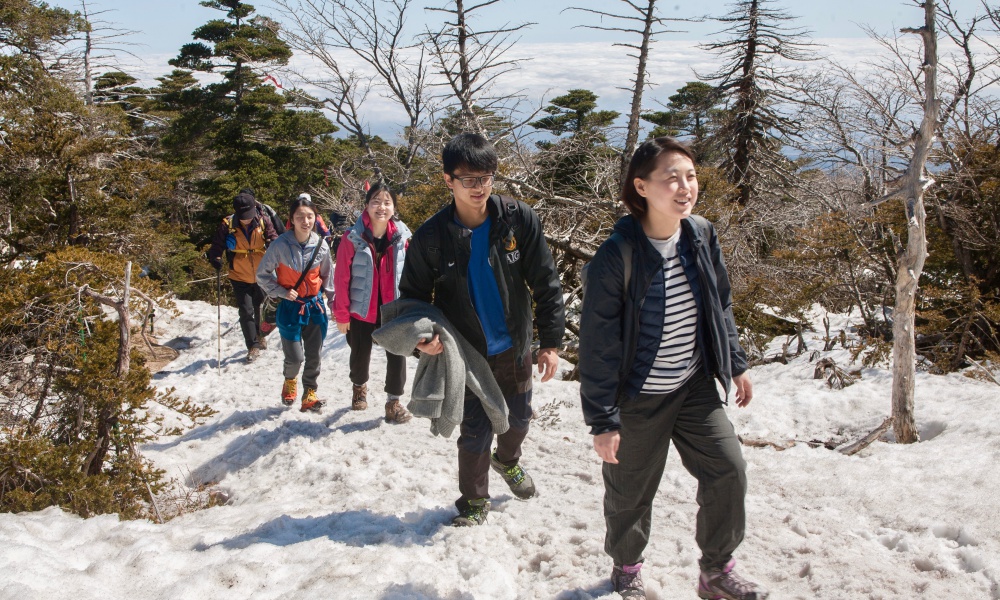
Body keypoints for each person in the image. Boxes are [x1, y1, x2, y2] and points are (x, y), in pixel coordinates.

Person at [579, 137, 768, 600]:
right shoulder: (616, 256)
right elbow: (598, 345)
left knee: (728, 469)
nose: (685, 187)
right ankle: (626, 569)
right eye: (671, 178)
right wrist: (603, 420)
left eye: (691, 176)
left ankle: (717, 571)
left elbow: (719, 302)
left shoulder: (700, 233)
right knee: (630, 492)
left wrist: (735, 362)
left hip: (694, 386)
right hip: (638, 396)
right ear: (641, 187)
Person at [398, 132, 565, 527]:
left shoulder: (517, 219)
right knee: (474, 433)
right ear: (448, 180)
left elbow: (546, 281)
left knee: (518, 421)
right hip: (466, 353)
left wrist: (551, 343)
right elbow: (412, 298)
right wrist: (422, 341)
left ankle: (507, 461)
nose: (479, 187)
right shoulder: (431, 237)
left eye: (486, 177)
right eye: (469, 179)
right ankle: (473, 502)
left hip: (515, 346)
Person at [334, 181, 413, 423]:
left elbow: (410, 274)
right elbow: (341, 277)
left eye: (387, 202)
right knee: (359, 353)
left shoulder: (403, 237)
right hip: (361, 308)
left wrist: (411, 309)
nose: (382, 206)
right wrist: (342, 314)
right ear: (367, 206)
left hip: (393, 308)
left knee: (397, 355)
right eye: (376, 201)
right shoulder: (352, 237)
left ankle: (393, 401)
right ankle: (359, 388)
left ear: (393, 208)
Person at [256, 196, 335, 413]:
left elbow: (328, 277)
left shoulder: (321, 246)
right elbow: (262, 275)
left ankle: (310, 391)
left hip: (315, 307)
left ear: (315, 218)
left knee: (314, 354)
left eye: (310, 216)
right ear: (291, 219)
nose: (306, 221)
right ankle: (290, 379)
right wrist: (281, 291)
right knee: (295, 357)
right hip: (290, 308)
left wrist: (334, 304)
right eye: (300, 217)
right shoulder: (280, 245)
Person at [207, 190, 279, 363]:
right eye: (243, 216)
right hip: (238, 274)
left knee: (259, 307)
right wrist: (214, 258)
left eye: (249, 214)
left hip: (262, 274)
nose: (247, 218)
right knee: (245, 311)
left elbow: (275, 237)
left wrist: (272, 243)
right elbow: (217, 244)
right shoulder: (227, 224)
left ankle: (260, 334)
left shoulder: (263, 220)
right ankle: (252, 345)